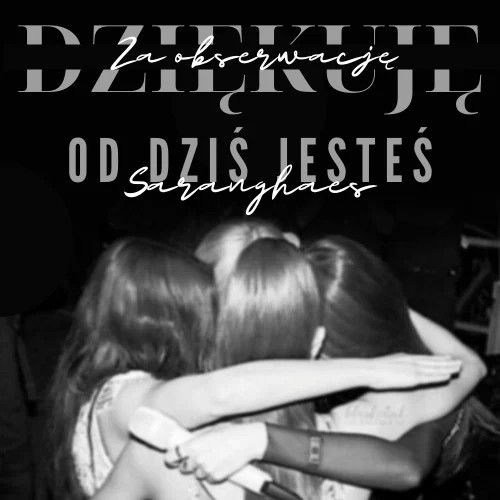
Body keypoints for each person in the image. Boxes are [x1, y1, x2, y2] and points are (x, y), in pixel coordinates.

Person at [49, 236, 455, 500]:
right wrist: (374, 364)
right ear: (316, 343)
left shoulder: (163, 451)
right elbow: (467, 369)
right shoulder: (355, 435)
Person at [171, 235, 494, 499]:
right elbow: (472, 365)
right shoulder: (394, 404)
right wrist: (371, 298)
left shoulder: (195, 406)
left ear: (319, 347)